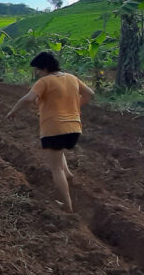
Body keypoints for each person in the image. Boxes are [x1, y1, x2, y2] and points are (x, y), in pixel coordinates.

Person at [6, 51, 94, 213]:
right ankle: (68, 174)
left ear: (45, 67)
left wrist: (13, 111)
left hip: (54, 128)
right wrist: (75, 108)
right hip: (74, 128)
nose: (37, 73)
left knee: (55, 168)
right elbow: (90, 94)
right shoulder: (72, 78)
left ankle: (67, 206)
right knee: (58, 151)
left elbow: (28, 99)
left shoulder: (44, 81)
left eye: (38, 70)